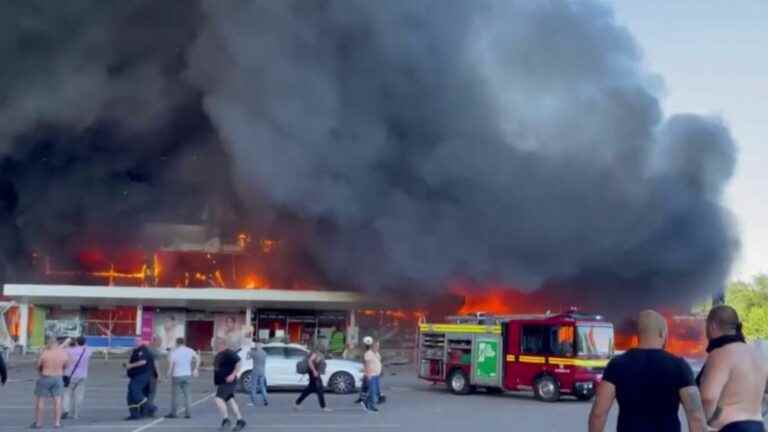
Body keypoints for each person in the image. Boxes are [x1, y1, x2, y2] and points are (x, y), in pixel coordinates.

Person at [589, 310, 707, 432]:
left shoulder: (617, 365)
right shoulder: (679, 366)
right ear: (662, 333)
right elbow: (696, 417)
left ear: (638, 334)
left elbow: (598, 413)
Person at [698, 305, 768, 432]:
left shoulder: (721, 354)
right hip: (758, 426)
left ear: (712, 325)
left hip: (731, 427)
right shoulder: (758, 355)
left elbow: (708, 397)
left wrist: (706, 424)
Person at [32, 337, 69, 429]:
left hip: (45, 377)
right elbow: (66, 365)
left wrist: (40, 372)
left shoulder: (44, 353)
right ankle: (57, 423)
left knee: (40, 401)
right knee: (58, 401)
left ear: (48, 344)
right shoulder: (63, 353)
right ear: (56, 344)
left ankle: (39, 423)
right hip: (58, 378)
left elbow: (38, 365)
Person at [213, 337, 246, 431]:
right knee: (230, 401)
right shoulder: (219, 354)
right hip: (222, 382)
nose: (214, 345)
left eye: (216, 344)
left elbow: (239, 362)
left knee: (218, 399)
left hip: (228, 382)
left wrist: (233, 374)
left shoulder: (228, 353)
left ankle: (226, 420)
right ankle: (240, 420)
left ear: (222, 344)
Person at [165, 337, 199, 419]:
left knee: (175, 396)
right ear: (184, 343)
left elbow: (171, 366)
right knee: (187, 395)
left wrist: (167, 375)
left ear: (176, 343)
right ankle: (188, 413)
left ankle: (174, 413)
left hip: (177, 375)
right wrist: (195, 369)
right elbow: (198, 357)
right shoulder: (190, 350)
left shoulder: (174, 352)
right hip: (187, 375)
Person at [124, 340, 158, 421]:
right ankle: (134, 414)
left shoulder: (142, 350)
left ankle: (150, 407)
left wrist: (130, 365)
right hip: (135, 375)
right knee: (130, 395)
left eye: (136, 341)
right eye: (134, 341)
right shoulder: (136, 351)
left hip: (142, 374)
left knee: (135, 390)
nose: (134, 343)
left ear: (141, 342)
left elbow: (143, 361)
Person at [61, 336, 93, 420]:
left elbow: (59, 350)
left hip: (69, 375)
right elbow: (86, 346)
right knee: (79, 395)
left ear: (76, 342)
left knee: (67, 393)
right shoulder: (88, 350)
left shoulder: (69, 350)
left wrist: (67, 342)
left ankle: (66, 409)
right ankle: (76, 414)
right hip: (82, 376)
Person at [294, 345, 331, 412]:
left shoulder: (319, 354)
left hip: (314, 373)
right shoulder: (316, 353)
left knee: (309, 389)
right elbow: (310, 361)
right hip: (314, 373)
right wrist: (314, 371)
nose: (326, 349)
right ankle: (324, 407)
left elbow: (315, 362)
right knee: (320, 390)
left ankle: (297, 403)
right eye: (325, 348)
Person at [361, 338, 383, 412]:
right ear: (372, 346)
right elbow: (367, 364)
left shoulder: (377, 353)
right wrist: (368, 375)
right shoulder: (368, 353)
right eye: (376, 346)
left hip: (376, 375)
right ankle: (370, 406)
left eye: (378, 346)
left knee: (375, 391)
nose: (378, 347)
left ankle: (365, 402)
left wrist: (380, 371)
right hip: (371, 375)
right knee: (372, 391)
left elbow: (378, 362)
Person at [246, 341, 269, 407]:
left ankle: (253, 402)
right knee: (262, 386)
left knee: (253, 386)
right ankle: (265, 400)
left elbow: (247, 358)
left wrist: (248, 353)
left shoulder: (254, 353)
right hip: (262, 371)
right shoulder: (264, 353)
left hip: (255, 371)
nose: (255, 346)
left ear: (257, 345)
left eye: (256, 345)